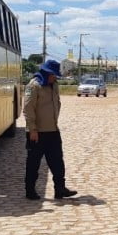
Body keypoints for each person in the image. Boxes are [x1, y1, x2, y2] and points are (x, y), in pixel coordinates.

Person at [22, 59, 77, 200]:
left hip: (52, 130)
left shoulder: (54, 85)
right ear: (46, 73)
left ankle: (60, 189)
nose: (54, 77)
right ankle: (30, 190)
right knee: (33, 163)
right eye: (53, 75)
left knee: (58, 161)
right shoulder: (34, 86)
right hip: (37, 132)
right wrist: (32, 129)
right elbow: (28, 109)